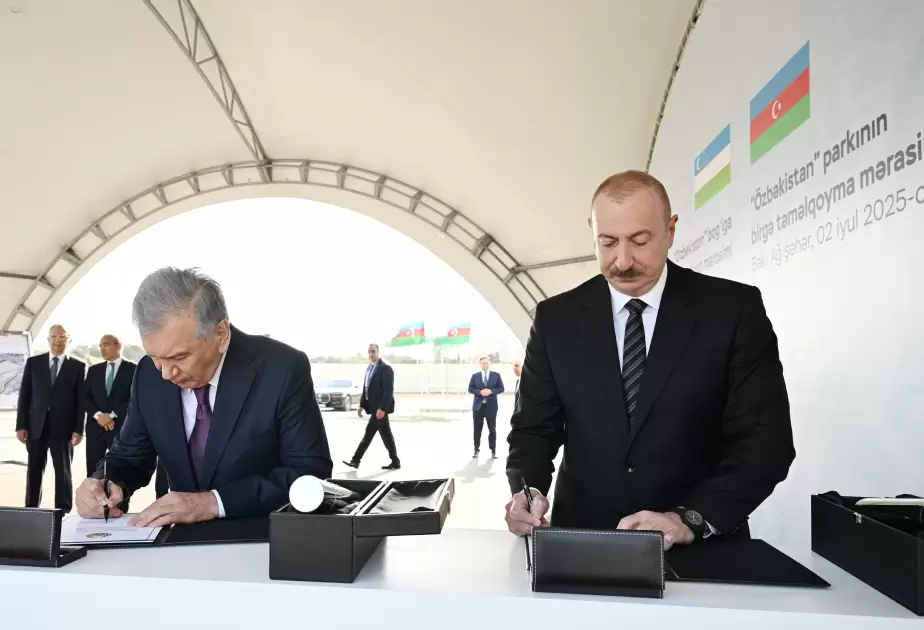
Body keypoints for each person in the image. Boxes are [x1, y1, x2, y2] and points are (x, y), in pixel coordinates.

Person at [505, 170, 795, 549]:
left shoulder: (733, 311)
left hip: (700, 551)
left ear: (670, 231)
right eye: (608, 242)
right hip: (585, 544)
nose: (623, 260)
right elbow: (533, 430)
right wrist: (527, 490)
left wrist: (690, 519)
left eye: (640, 241)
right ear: (592, 230)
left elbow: (765, 442)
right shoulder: (555, 319)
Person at [74, 267, 333, 525]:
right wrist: (104, 483)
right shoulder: (147, 374)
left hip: (261, 536)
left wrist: (213, 503)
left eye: (179, 356)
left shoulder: (282, 368)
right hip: (180, 540)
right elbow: (130, 456)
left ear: (221, 334)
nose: (166, 373)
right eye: (155, 357)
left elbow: (309, 474)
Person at [15, 324, 85, 512]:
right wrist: (21, 425)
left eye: (63, 337)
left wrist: (79, 429)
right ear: (48, 339)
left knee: (63, 472)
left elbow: (81, 401)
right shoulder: (33, 363)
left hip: (63, 429)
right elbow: (24, 396)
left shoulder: (78, 367)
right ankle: (31, 509)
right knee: (34, 470)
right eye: (54, 336)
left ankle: (63, 511)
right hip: (36, 426)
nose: (58, 340)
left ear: (69, 340)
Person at [84, 335, 136, 483]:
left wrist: (111, 415)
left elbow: (134, 399)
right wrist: (99, 415)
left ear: (119, 346)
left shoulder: (133, 370)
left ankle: (119, 499)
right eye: (100, 345)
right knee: (93, 475)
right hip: (95, 430)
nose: (102, 348)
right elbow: (84, 397)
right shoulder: (94, 370)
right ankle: (95, 500)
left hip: (120, 430)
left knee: (121, 475)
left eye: (106, 344)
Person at [343, 344, 400, 470]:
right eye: (369, 352)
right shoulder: (369, 368)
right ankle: (395, 461)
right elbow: (366, 388)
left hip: (379, 409)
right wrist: (361, 405)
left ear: (378, 352)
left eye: (373, 351)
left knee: (369, 433)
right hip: (374, 408)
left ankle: (355, 460)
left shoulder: (386, 368)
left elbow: (388, 391)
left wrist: (383, 408)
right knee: (386, 435)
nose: (371, 354)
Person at [468, 356, 504, 458]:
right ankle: (476, 449)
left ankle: (493, 451)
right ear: (480, 364)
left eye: (486, 363)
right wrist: (479, 392)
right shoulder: (475, 376)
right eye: (483, 363)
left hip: (491, 407)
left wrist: (491, 391)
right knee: (477, 429)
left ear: (489, 364)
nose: (485, 365)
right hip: (478, 407)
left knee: (492, 429)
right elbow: (470, 388)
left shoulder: (496, 375)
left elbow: (501, 388)